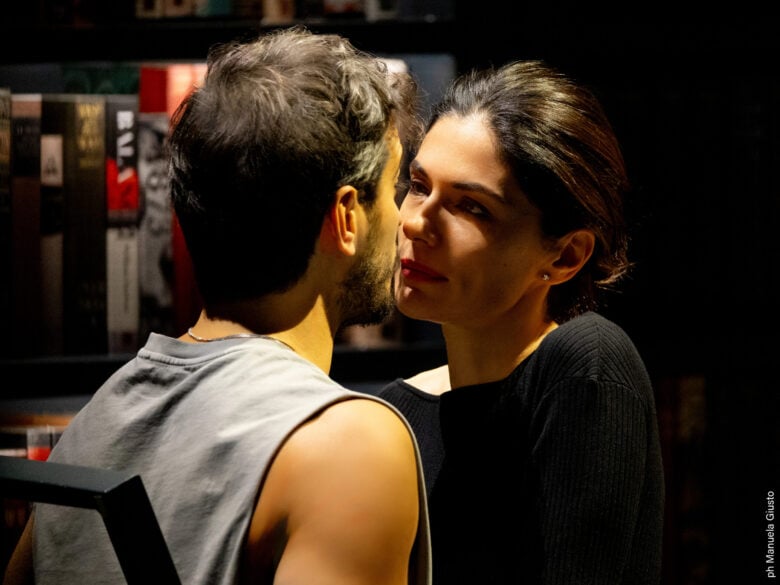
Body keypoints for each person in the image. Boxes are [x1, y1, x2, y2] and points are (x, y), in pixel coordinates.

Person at [4, 26, 431, 585]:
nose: (405, 219)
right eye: (395, 188)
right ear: (347, 216)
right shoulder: (352, 446)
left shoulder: (94, 424)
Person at [379, 60, 664, 584]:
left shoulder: (584, 363)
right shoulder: (396, 411)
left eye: (471, 208)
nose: (415, 222)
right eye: (418, 185)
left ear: (566, 256)